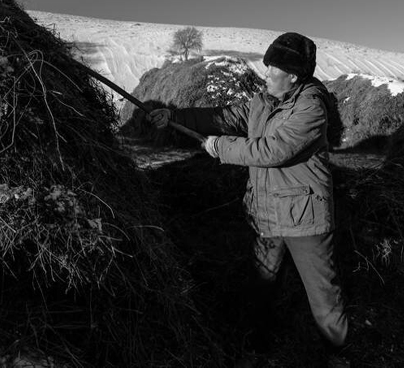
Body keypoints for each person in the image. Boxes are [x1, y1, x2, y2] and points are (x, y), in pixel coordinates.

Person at [148, 32, 350, 367]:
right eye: (268, 66)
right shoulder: (263, 101)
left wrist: (219, 148)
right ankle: (258, 346)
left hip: (304, 217)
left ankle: (338, 351)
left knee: (322, 292)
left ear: (294, 76)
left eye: (273, 69)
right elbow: (225, 117)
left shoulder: (311, 108)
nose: (266, 73)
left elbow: (273, 151)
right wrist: (175, 116)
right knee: (261, 284)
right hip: (267, 213)